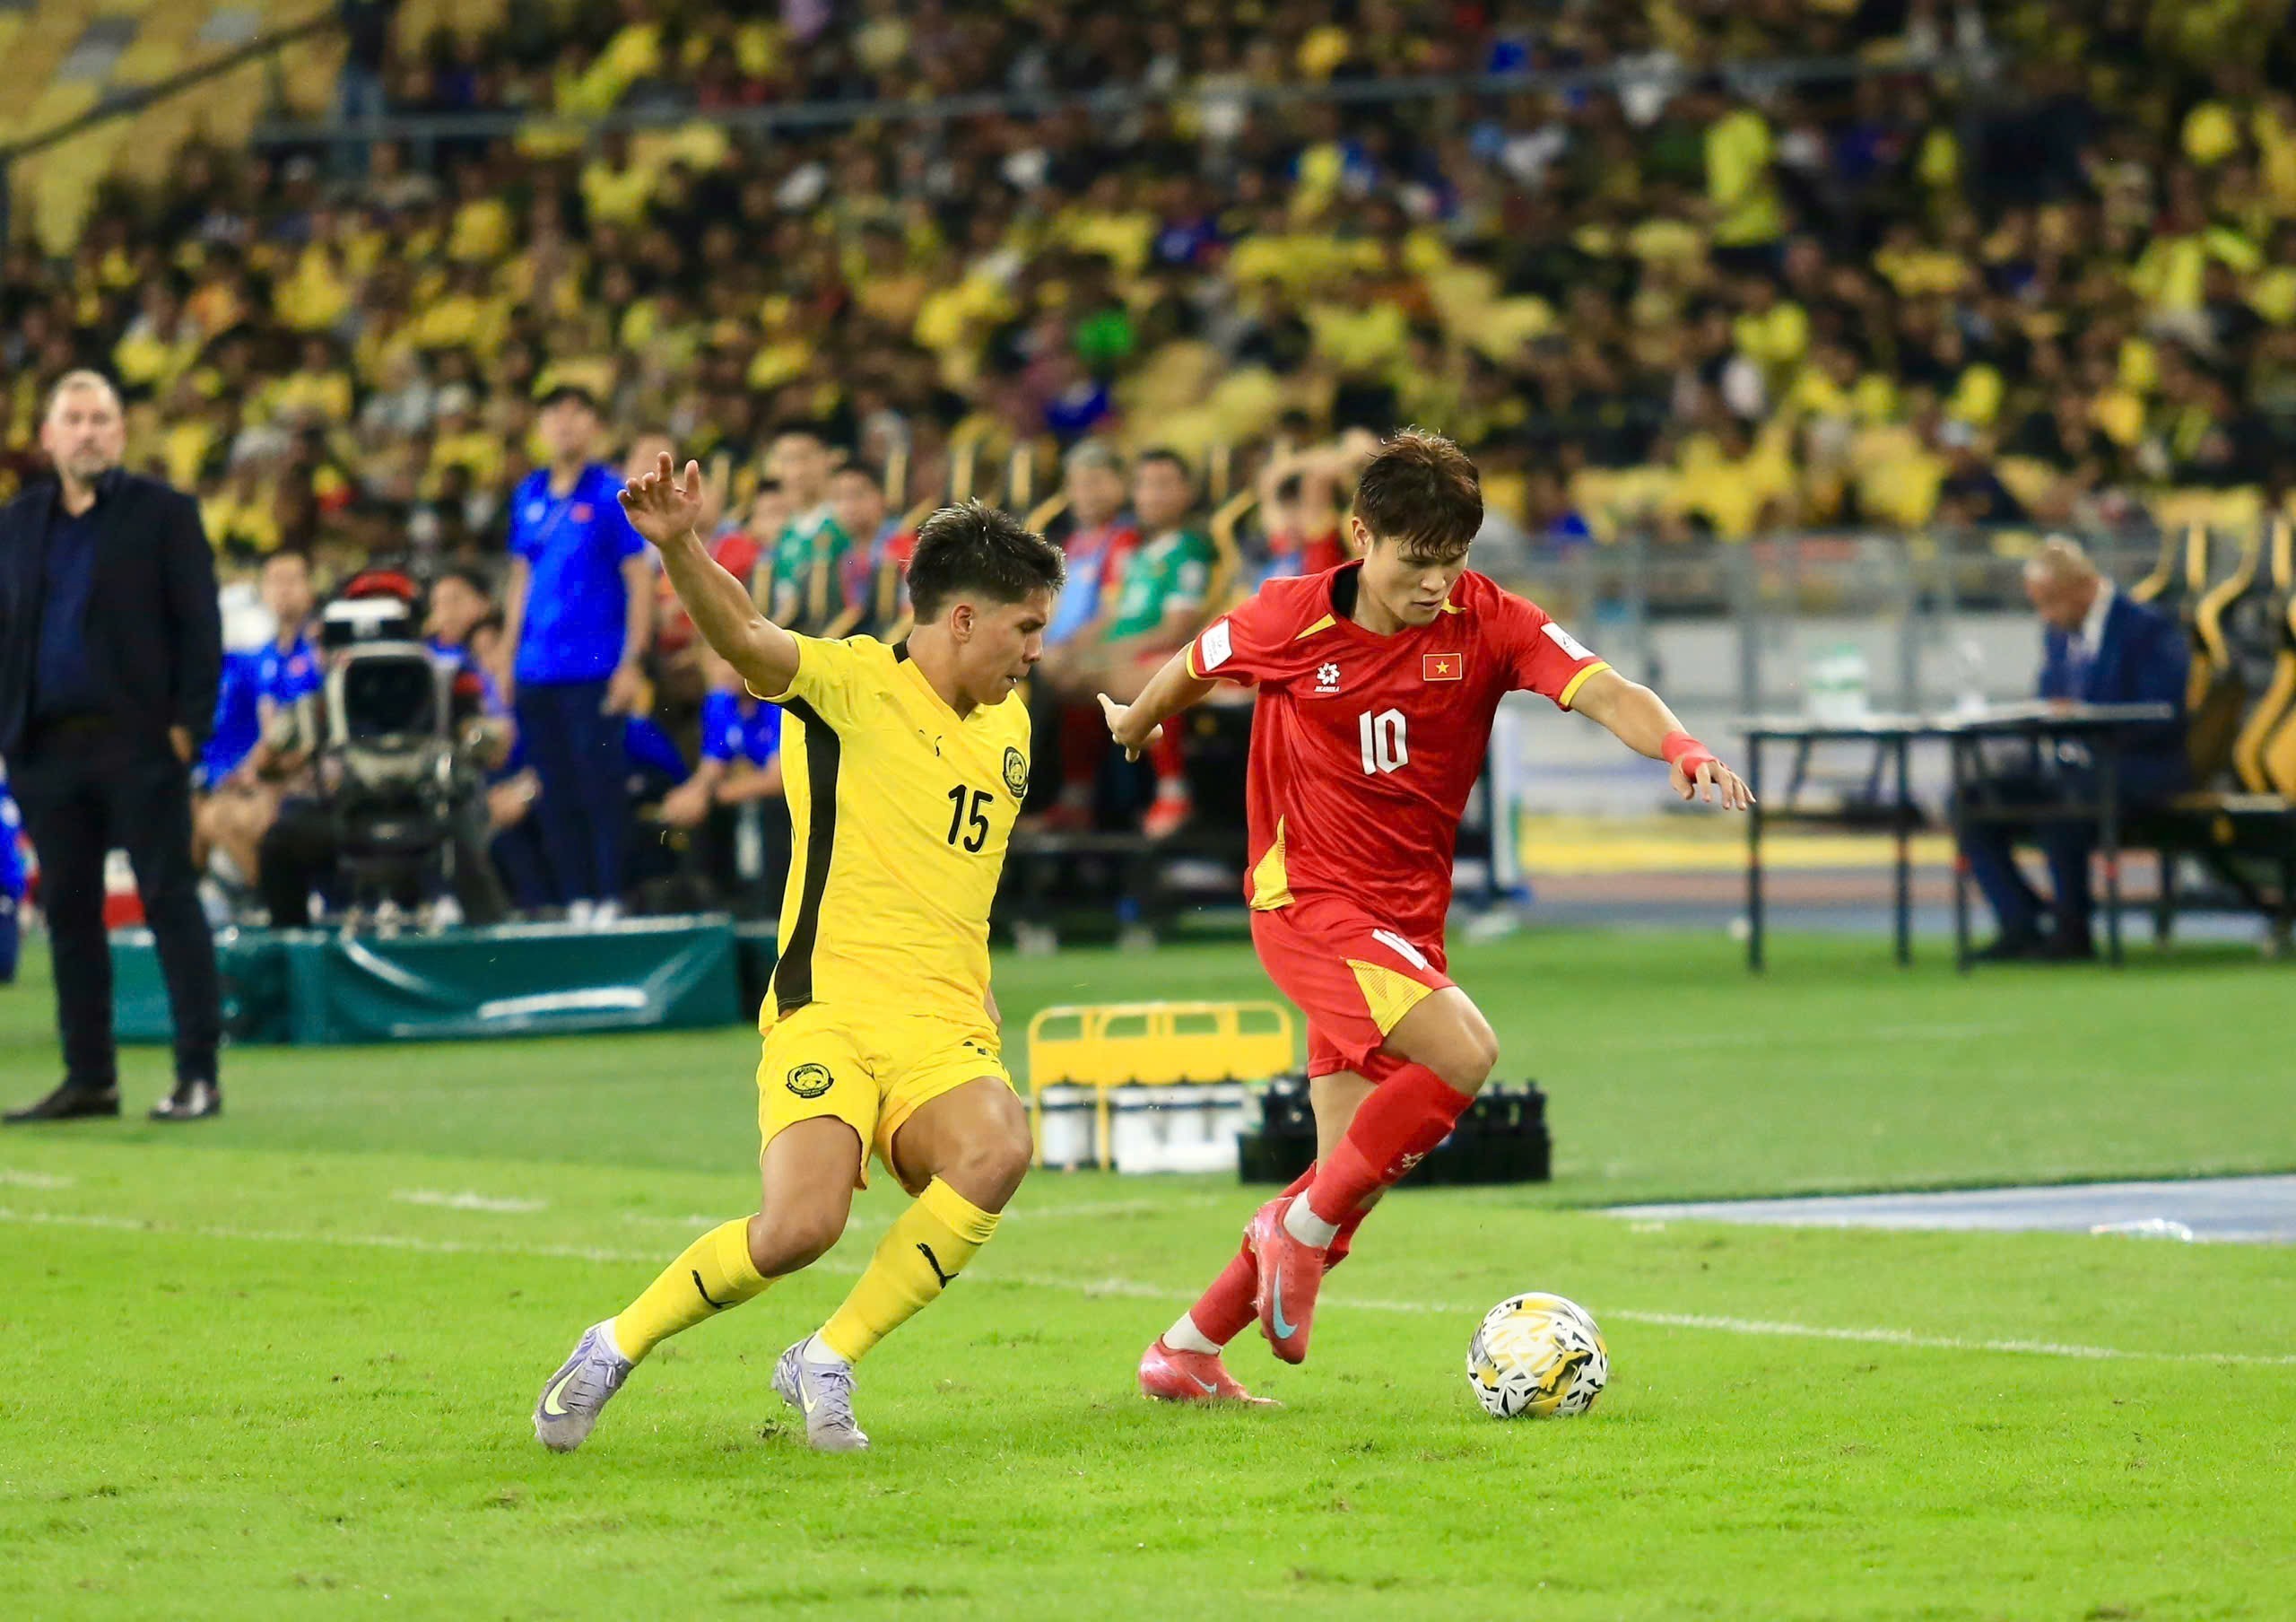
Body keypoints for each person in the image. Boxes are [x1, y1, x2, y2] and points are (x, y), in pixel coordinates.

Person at [1098, 430, 1752, 1401]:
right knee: (1463, 1054)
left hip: (1405, 924)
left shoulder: (1488, 621)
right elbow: (1196, 659)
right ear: (1361, 536)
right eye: (1416, 560)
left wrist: (1680, 746)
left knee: (1343, 1181)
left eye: (1453, 559)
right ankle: (1291, 1233)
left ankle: (1185, 1349)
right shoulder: (1288, 617)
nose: (1436, 582)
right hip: (1307, 902)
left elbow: (1607, 688)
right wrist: (1137, 717)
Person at [533, 458, 1063, 1455]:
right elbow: (744, 634)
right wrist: (680, 544)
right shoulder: (850, 683)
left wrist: (979, 980)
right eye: (1025, 627)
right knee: (798, 1229)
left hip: (941, 1020)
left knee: (998, 1148)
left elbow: (961, 871)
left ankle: (827, 1356)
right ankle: (614, 1342)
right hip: (829, 1008)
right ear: (961, 619)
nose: (1037, 650)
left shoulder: (1012, 727)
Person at [0, 371, 224, 1123]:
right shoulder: (17, 523)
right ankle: (90, 1077)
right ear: (48, 436)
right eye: (74, 419)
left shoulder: (164, 513)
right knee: (68, 915)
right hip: (46, 748)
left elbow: (200, 625)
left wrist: (190, 726)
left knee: (169, 900)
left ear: (122, 433)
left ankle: (198, 1073)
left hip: (140, 744)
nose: (88, 432)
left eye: (101, 419)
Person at [1960, 536, 2191, 961]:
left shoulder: (2147, 627)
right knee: (1970, 800)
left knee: (2063, 801)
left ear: (2084, 587)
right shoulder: (2059, 633)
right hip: (2073, 768)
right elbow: (2049, 693)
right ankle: (2020, 922)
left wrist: (2089, 716)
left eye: (2050, 602)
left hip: (2140, 767)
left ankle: (2073, 929)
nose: (2045, 615)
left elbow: (2163, 711)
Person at [502, 384, 652, 920]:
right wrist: (506, 657)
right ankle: (575, 898)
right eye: (554, 414)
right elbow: (520, 579)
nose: (565, 424)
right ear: (540, 427)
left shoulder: (612, 493)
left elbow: (637, 579)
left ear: (595, 426)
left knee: (600, 784)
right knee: (553, 785)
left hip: (595, 665)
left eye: (577, 414)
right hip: (535, 668)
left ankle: (611, 895)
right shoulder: (528, 493)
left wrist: (632, 661)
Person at [1093, 448, 1219, 837]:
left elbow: (1177, 630)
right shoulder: (1134, 552)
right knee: (1054, 673)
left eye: (1164, 485)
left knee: (1159, 672)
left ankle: (1173, 791)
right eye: (1144, 485)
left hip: (1155, 656)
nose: (1152, 495)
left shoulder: (1190, 549)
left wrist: (1109, 656)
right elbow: (1109, 618)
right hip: (1117, 657)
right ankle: (1076, 798)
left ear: (1187, 492)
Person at [196, 550, 325, 895]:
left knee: (220, 817)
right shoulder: (265, 656)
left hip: (306, 779)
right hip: (271, 774)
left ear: (311, 589)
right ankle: (262, 897)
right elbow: (268, 729)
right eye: (275, 581)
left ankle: (278, 900)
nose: (283, 590)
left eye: (293, 580)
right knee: (203, 813)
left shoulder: (317, 651)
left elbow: (304, 734)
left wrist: (259, 772)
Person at [1029, 440, 1143, 830]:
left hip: (1101, 650)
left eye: (1096, 482)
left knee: (1047, 681)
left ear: (1120, 486)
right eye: (1077, 484)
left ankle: (1045, 795)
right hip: (1059, 651)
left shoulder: (1124, 540)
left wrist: (1065, 649)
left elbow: (1114, 612)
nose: (1086, 493)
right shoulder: (1074, 544)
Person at [761, 424, 856, 635]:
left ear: (828, 459)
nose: (797, 471)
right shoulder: (779, 532)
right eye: (787, 460)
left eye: (804, 458)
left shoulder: (844, 521)